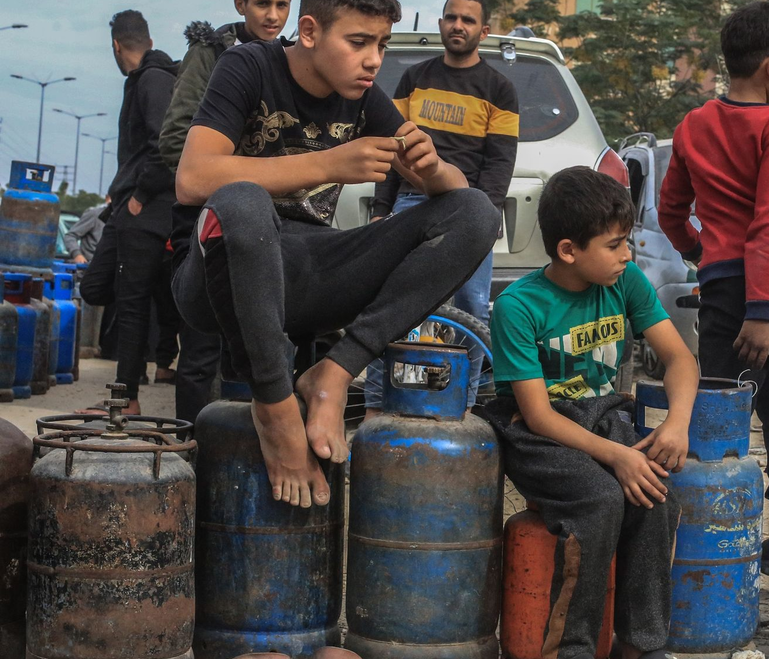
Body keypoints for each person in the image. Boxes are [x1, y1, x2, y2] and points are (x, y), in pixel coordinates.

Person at [173, 0, 496, 509]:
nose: (373, 60)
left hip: (308, 269)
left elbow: (455, 194)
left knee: (476, 212)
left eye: (382, 45)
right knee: (242, 201)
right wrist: (327, 163)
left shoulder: (364, 97)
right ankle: (275, 409)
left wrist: (432, 168)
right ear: (309, 32)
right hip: (220, 275)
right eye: (358, 42)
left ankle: (334, 375)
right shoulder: (249, 65)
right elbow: (193, 178)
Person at [481, 166, 698, 659]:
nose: (628, 255)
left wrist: (676, 424)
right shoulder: (517, 306)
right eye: (615, 245)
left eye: (628, 242)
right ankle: (570, 654)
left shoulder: (625, 283)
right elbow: (537, 414)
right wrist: (618, 457)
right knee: (601, 501)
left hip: (603, 417)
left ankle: (643, 649)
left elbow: (680, 359)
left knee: (656, 496)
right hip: (538, 433)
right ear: (568, 250)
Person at [657, 1, 769, 465]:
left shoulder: (693, 126)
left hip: (726, 284)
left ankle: (719, 510)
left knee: (717, 412)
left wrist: (700, 251)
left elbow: (670, 212)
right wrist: (762, 311)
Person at [365, 0, 518, 415]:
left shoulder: (499, 88)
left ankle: (464, 408)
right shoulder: (415, 78)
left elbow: (500, 162)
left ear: (483, 32)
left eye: (468, 20)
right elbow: (394, 150)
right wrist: (381, 208)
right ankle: (377, 404)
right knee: (390, 301)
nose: (458, 25)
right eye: (451, 17)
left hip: (470, 206)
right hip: (412, 201)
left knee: (471, 310)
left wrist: (485, 214)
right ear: (441, 23)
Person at [159, 0, 292, 423]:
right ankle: (189, 447)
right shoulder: (211, 53)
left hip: (273, 221)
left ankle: (252, 446)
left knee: (265, 347)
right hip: (211, 214)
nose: (273, 15)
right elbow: (175, 137)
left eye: (283, 4)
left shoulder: (292, 58)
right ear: (240, 3)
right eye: (262, 3)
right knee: (201, 348)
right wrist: (233, 172)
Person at [84, 10, 180, 412]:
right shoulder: (149, 79)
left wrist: (141, 194)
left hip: (146, 208)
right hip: (131, 208)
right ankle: (131, 387)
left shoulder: (153, 80)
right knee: (97, 288)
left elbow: (167, 143)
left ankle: (126, 399)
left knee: (131, 302)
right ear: (149, 40)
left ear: (116, 46)